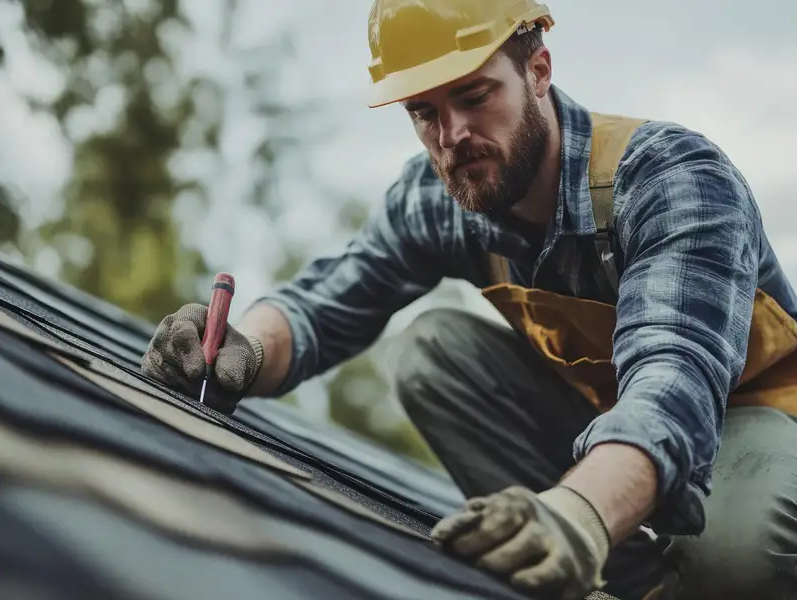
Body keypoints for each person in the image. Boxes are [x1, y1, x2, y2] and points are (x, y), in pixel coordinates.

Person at [141, 1, 797, 599]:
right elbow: (325, 303)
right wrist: (245, 349)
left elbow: (672, 386)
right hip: (612, 430)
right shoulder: (440, 199)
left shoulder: (672, 180)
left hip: (756, 423)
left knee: (740, 557)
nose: (451, 136)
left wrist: (577, 517)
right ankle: (619, 582)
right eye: (424, 112)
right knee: (433, 351)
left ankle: (600, 539)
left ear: (538, 70)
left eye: (473, 95)